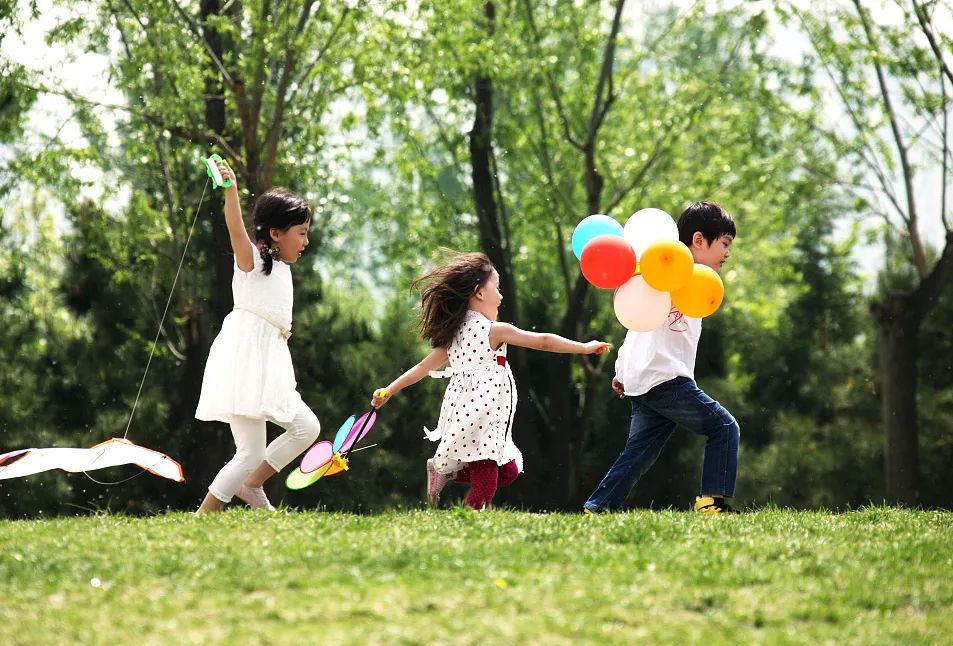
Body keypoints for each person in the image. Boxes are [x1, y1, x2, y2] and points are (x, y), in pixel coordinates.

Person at [370, 251, 611, 510]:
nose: (501, 295)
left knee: (508, 471)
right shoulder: (493, 330)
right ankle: (471, 520)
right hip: (484, 412)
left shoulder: (454, 336)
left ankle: (444, 472)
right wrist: (584, 347)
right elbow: (543, 341)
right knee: (487, 477)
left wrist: (390, 389)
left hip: (468, 411)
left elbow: (421, 367)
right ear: (479, 293)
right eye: (497, 287)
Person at [583, 200, 740, 514]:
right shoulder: (664, 274)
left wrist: (622, 371)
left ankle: (598, 506)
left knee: (638, 454)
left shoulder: (693, 283)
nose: (727, 253)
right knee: (724, 428)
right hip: (666, 379)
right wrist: (622, 370)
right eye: (724, 244)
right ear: (698, 240)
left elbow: (636, 329)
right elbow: (636, 318)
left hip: (644, 383)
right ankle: (712, 503)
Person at [194, 160, 321, 514]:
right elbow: (236, 229)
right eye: (301, 232)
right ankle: (203, 516)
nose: (306, 241)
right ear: (276, 233)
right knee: (249, 452)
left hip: (270, 362)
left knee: (306, 427)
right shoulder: (251, 261)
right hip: (245, 361)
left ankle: (251, 485)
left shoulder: (281, 268)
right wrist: (231, 190)